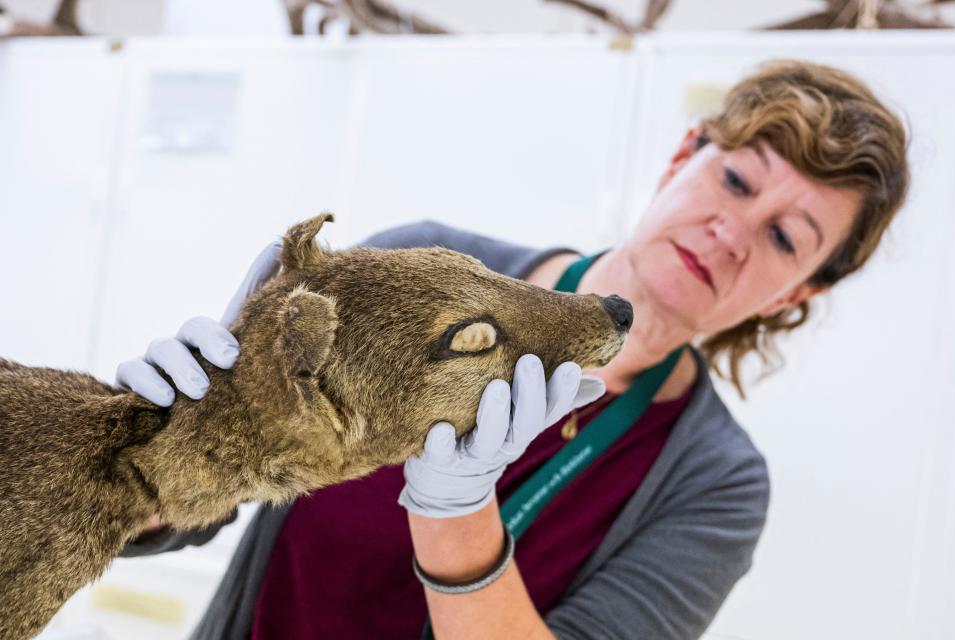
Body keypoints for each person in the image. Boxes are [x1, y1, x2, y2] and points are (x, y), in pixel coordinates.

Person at [116, 59, 909, 639]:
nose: (732, 232)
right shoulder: (416, 263)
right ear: (681, 159)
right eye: (736, 181)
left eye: (782, 236)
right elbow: (202, 498)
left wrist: (458, 518)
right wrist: (158, 452)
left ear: (797, 292)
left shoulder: (715, 482)